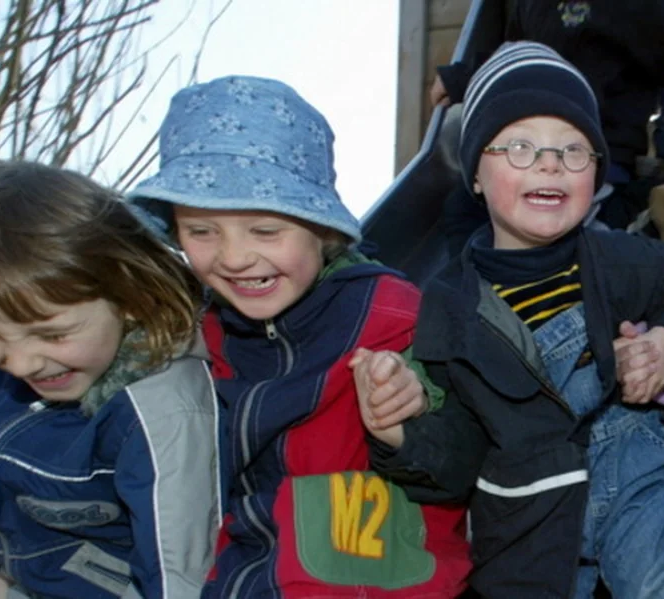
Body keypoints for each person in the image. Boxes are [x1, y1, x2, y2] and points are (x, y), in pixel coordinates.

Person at [358, 42, 664, 598]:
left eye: (573, 150)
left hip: (633, 481)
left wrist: (663, 343)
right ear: (475, 174)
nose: (550, 163)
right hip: (524, 515)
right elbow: (458, 454)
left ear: (596, 173)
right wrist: (397, 432)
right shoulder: (450, 306)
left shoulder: (615, 258)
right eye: (521, 147)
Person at [126, 76, 471, 598]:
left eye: (265, 231)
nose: (235, 257)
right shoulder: (200, 334)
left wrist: (409, 415)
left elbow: (462, 461)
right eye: (201, 231)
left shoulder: (390, 315)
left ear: (323, 229)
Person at [0, 162, 219, 598]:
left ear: (129, 297)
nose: (21, 363)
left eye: (52, 334)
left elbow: (179, 578)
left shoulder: (162, 410)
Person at [432, 0, 664, 246]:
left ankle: (474, 285)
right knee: (597, 216)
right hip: (606, 156)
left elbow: (515, 59)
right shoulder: (655, 10)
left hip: (540, 150)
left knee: (466, 213)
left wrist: (463, 78)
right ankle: (643, 213)